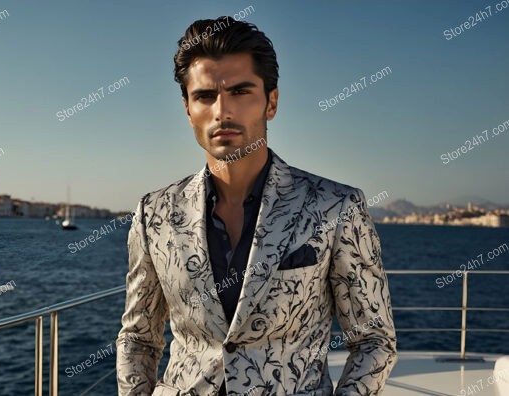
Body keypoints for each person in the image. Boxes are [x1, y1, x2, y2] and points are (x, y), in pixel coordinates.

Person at [116, 16, 397, 396]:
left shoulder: (336, 207)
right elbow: (138, 339)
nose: (222, 111)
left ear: (272, 102)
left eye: (240, 91)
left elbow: (374, 340)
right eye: (204, 96)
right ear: (187, 107)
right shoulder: (154, 213)